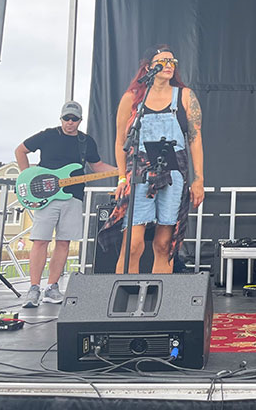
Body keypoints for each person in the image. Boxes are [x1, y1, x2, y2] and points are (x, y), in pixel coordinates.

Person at [98, 44, 204, 274]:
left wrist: (199, 180)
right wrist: (121, 178)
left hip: (174, 172)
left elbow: (195, 139)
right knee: (133, 244)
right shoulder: (132, 98)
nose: (169, 65)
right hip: (139, 172)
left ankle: (159, 293)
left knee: (164, 243)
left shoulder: (185, 96)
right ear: (148, 67)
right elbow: (120, 141)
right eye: (163, 61)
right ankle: (126, 292)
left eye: (172, 61)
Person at [15, 101, 117, 308]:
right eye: (66, 118)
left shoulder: (85, 141)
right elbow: (20, 150)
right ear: (61, 118)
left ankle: (52, 287)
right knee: (40, 240)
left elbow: (97, 165)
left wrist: (121, 171)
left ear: (80, 120)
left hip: (73, 196)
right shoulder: (47, 135)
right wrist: (27, 176)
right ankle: (33, 288)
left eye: (74, 119)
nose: (70, 122)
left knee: (64, 242)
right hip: (46, 197)